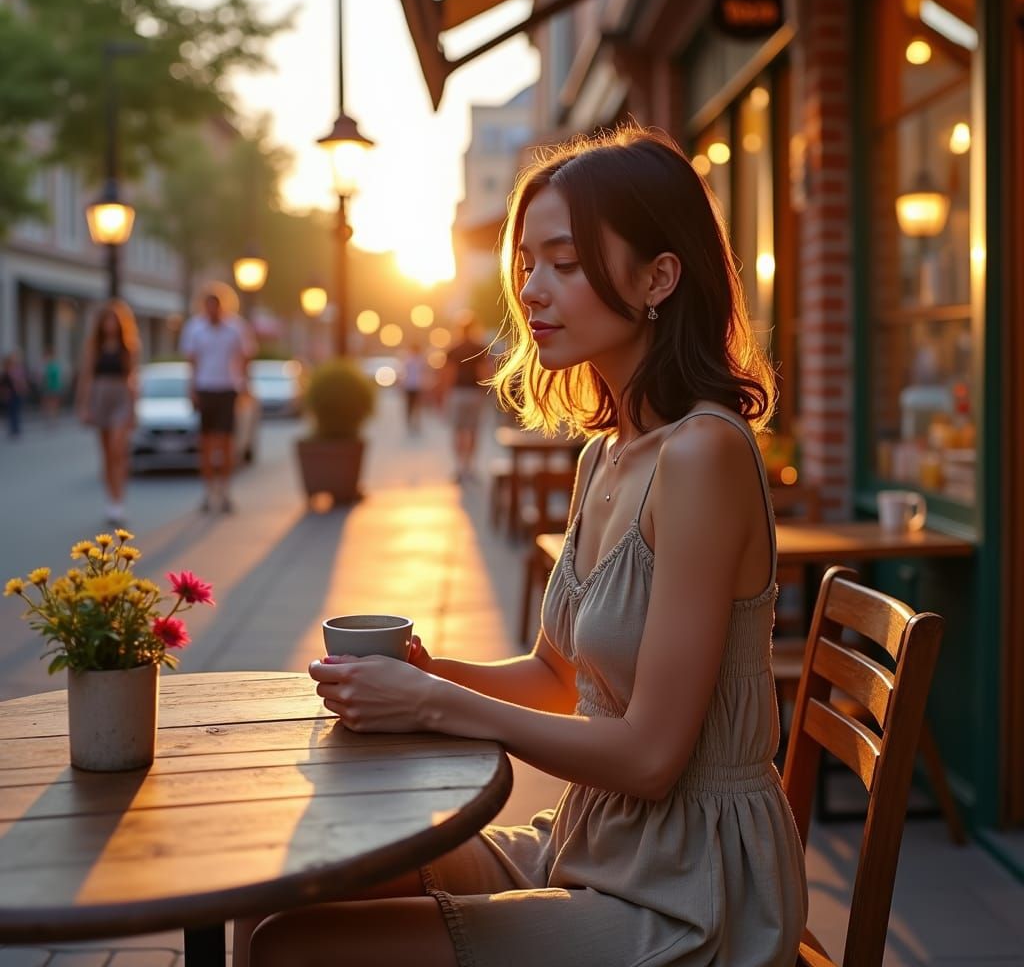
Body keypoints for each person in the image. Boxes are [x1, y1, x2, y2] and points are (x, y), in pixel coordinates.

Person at [242, 127, 807, 966]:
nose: (532, 292)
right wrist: (428, 673)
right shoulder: (607, 452)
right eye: (527, 266)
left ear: (659, 277)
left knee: (298, 948)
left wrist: (432, 706)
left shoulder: (705, 455)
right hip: (594, 843)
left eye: (566, 264)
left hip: (693, 892)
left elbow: (652, 759)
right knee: (305, 878)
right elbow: (556, 676)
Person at [180, 287, 255, 513]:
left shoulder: (236, 328)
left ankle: (225, 491)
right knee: (206, 443)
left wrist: (244, 386)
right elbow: (191, 361)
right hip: (205, 389)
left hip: (227, 389)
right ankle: (208, 491)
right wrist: (191, 389)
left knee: (226, 443)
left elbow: (245, 358)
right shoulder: (195, 328)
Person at [75, 302, 140, 524]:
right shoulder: (94, 347)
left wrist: (134, 409)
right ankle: (110, 501)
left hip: (121, 398)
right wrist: (84, 406)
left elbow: (133, 380)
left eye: (114, 320)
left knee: (117, 449)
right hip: (100, 398)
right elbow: (86, 377)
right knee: (105, 454)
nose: (110, 325)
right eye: (106, 320)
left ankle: (119, 500)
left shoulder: (128, 347)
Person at [443, 311, 491, 481]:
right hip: (474, 393)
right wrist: (486, 393)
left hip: (457, 393)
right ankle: (470, 466)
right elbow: (483, 373)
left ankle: (459, 467)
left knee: (458, 431)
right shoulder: (479, 348)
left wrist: (445, 396)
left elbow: (448, 374)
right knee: (473, 431)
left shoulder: (453, 349)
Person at [400, 342, 428, 434]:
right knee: (413, 406)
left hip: (414, 385)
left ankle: (412, 422)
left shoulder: (411, 360)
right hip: (414, 385)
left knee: (412, 406)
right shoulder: (415, 360)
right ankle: (413, 422)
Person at [1, 351, 28, 439]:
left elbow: (23, 381)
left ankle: (16, 429)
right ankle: (13, 429)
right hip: (10, 393)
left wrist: (23, 388)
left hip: (17, 393)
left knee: (16, 411)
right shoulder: (7, 369)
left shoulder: (18, 369)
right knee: (11, 412)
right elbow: (4, 382)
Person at [41, 348, 63, 422]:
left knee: (54, 403)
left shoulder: (54, 366)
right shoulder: (46, 366)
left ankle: (54, 417)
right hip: (48, 387)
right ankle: (49, 416)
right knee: (47, 402)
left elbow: (58, 377)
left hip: (54, 387)